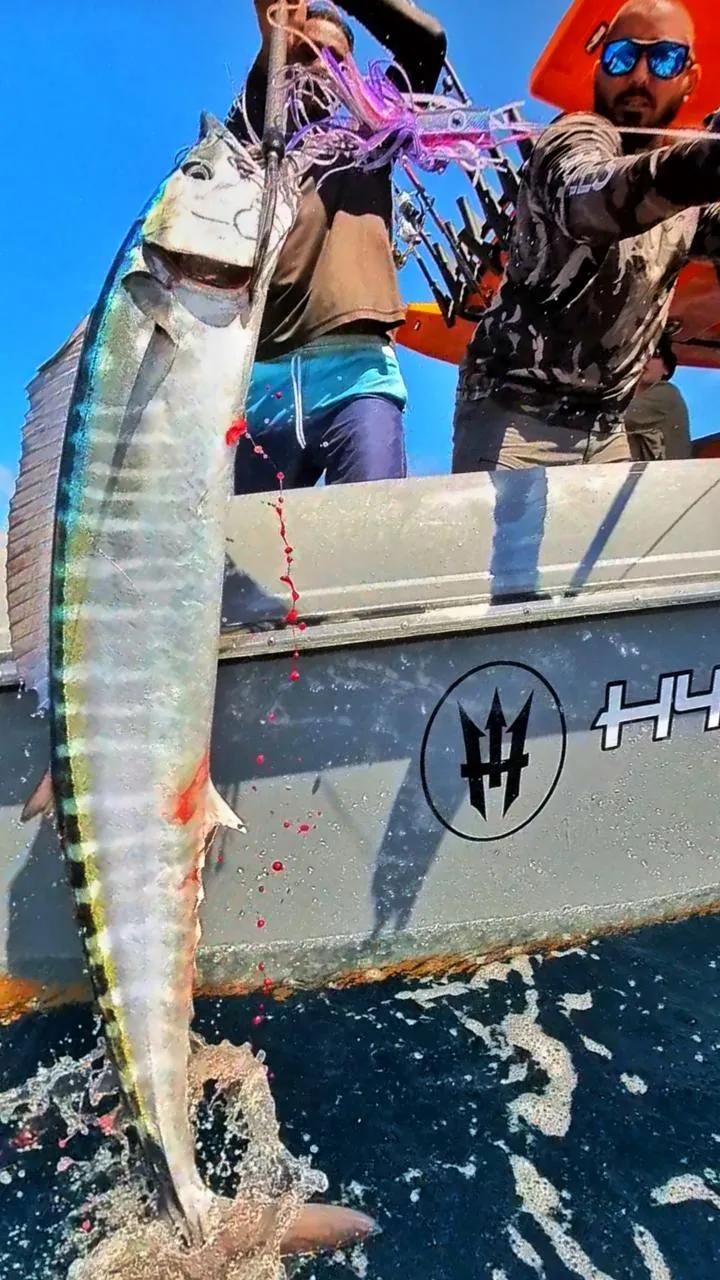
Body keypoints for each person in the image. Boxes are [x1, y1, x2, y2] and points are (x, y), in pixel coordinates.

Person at [452, 0, 720, 473]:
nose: (638, 76)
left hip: (607, 425)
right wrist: (703, 165)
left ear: (690, 78)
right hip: (514, 416)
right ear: (600, 69)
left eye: (663, 60)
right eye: (621, 57)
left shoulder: (689, 189)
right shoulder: (572, 136)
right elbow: (590, 199)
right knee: (504, 550)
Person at [230, 0, 446, 493]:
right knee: (247, 565)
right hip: (262, 384)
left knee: (371, 544)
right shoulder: (257, 134)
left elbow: (425, 44)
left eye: (334, 60)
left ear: (353, 71)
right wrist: (278, 33)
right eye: (304, 57)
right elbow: (269, 65)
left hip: (359, 376)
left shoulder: (375, 130)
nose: (318, 71)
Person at [625, 329, 691, 459]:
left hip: (666, 477)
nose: (644, 359)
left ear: (666, 368)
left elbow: (614, 417)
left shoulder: (666, 393)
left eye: (655, 354)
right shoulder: (630, 400)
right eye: (639, 354)